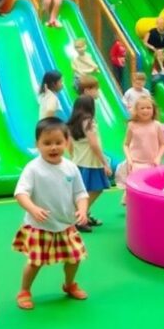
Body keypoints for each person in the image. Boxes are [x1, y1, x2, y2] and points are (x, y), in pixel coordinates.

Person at [13, 118, 90, 311]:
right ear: (37, 144)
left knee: (75, 257)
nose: (53, 147)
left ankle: (69, 284)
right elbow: (21, 193)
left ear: (67, 142)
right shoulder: (33, 168)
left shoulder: (70, 167)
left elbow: (80, 193)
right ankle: (24, 290)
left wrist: (82, 209)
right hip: (41, 226)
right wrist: (33, 208)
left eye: (58, 142)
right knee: (35, 262)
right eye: (47, 143)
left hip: (65, 224)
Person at [67, 96, 111, 233]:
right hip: (91, 162)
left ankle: (84, 213)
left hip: (79, 161)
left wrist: (73, 157)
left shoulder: (71, 124)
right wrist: (104, 162)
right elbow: (94, 144)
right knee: (95, 189)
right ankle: (81, 215)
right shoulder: (89, 122)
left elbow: (69, 145)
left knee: (83, 191)